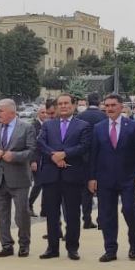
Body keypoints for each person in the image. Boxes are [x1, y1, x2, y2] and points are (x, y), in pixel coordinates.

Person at [87, 93, 135, 262]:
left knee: (128, 209)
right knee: (107, 214)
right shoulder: (98, 127)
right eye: (107, 105)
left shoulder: (133, 126)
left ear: (121, 107)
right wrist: (92, 178)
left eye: (113, 105)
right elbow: (94, 155)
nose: (110, 108)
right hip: (105, 178)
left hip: (128, 177)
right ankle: (110, 249)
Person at [36, 93, 92, 260]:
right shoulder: (48, 125)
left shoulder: (83, 125)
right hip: (51, 175)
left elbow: (84, 146)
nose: (63, 106)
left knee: (73, 214)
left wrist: (65, 154)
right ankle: (52, 248)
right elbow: (41, 143)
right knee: (52, 214)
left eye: (66, 103)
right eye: (60, 104)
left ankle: (72, 247)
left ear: (73, 105)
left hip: (72, 175)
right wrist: (53, 156)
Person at [0, 98, 36, 257]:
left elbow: (32, 151)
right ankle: (6, 245)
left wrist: (15, 156)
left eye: (1, 111)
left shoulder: (26, 128)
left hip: (19, 179)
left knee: (22, 214)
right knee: (2, 215)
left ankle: (24, 244)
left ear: (12, 112)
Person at [74, 96, 105, 229]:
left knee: (86, 190)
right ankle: (102, 220)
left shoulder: (79, 117)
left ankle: (86, 219)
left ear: (87, 103)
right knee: (103, 190)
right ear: (99, 103)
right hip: (101, 158)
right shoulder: (104, 117)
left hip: (84, 158)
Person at [28, 103, 50, 213]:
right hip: (36, 160)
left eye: (46, 112)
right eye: (42, 112)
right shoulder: (33, 126)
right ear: (38, 113)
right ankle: (29, 204)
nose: (45, 114)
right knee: (38, 183)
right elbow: (32, 145)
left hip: (46, 160)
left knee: (46, 184)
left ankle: (44, 209)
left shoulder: (49, 125)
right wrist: (32, 161)